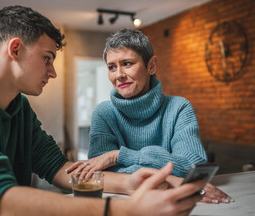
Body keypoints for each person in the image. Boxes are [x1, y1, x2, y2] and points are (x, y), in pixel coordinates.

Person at [0, 5, 210, 216]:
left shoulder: (18, 106)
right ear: (15, 49)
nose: (52, 72)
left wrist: (133, 183)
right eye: (47, 58)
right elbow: (2, 202)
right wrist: (124, 215)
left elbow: (60, 169)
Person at [66, 28, 232, 204]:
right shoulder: (104, 113)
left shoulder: (179, 108)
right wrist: (168, 173)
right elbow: (101, 176)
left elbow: (194, 170)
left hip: (180, 204)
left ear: (151, 65)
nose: (119, 75)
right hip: (123, 206)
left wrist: (118, 156)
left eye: (127, 63)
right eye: (112, 67)